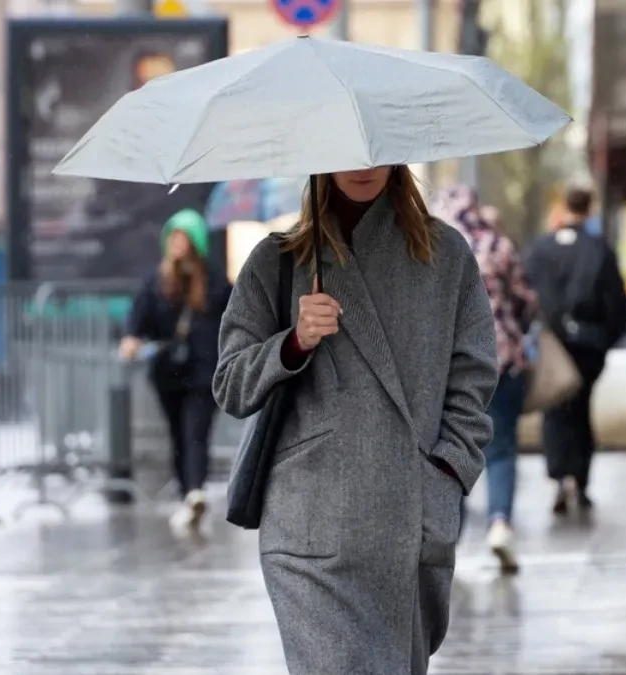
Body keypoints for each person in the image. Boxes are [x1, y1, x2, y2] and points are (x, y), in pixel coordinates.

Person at [212, 165, 498, 674]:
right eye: (345, 153)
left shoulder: (446, 256)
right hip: (308, 533)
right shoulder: (277, 261)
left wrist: (446, 477)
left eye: (376, 152)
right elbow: (230, 385)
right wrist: (294, 341)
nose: (362, 166)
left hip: (408, 523)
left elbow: (473, 381)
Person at [430, 185, 537, 573]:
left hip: (446, 368)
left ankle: (448, 537)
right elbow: (525, 299)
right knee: (502, 447)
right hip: (501, 361)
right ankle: (499, 524)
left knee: (449, 447)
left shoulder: (430, 249)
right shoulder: (497, 245)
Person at [119, 209, 232, 534]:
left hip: (204, 372)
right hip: (168, 373)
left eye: (183, 237)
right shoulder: (156, 282)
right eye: (173, 236)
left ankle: (194, 490)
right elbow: (137, 320)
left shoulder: (213, 281)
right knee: (177, 435)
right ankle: (188, 495)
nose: (177, 243)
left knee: (195, 432)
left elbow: (233, 318)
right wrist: (132, 339)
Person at [524, 187, 626, 514]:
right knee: (582, 411)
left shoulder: (538, 250)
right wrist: (604, 340)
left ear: (562, 207)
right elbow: (617, 306)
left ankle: (559, 477)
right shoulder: (600, 250)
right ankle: (581, 480)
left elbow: (523, 295)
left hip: (551, 346)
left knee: (555, 412)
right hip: (588, 346)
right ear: (590, 208)